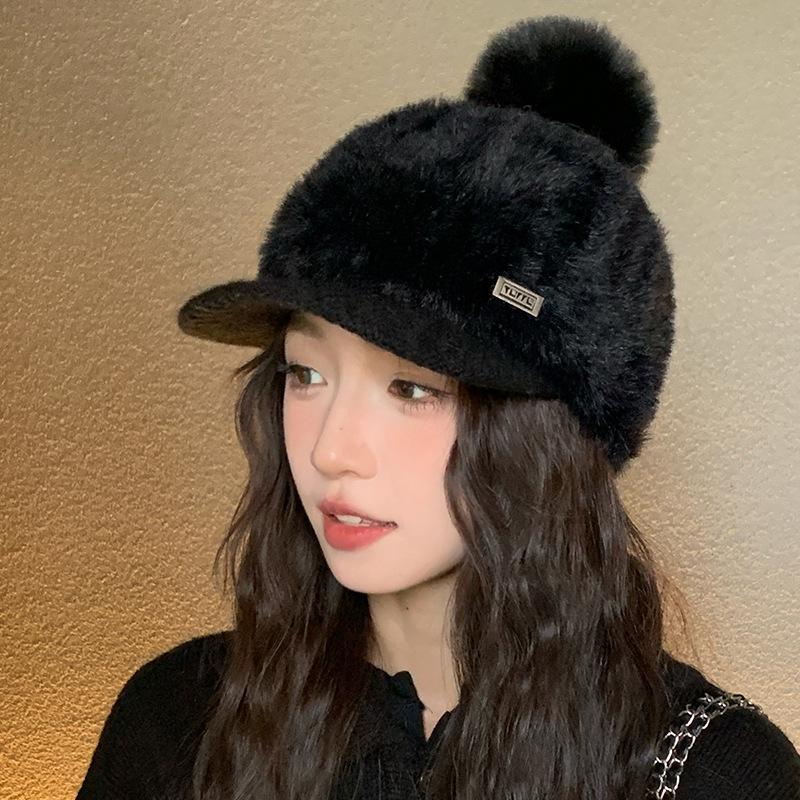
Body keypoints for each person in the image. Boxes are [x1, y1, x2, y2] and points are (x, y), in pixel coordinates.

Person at [75, 14, 800, 800]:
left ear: (552, 434)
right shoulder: (177, 723)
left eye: (411, 389)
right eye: (305, 374)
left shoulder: (711, 774)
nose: (329, 450)